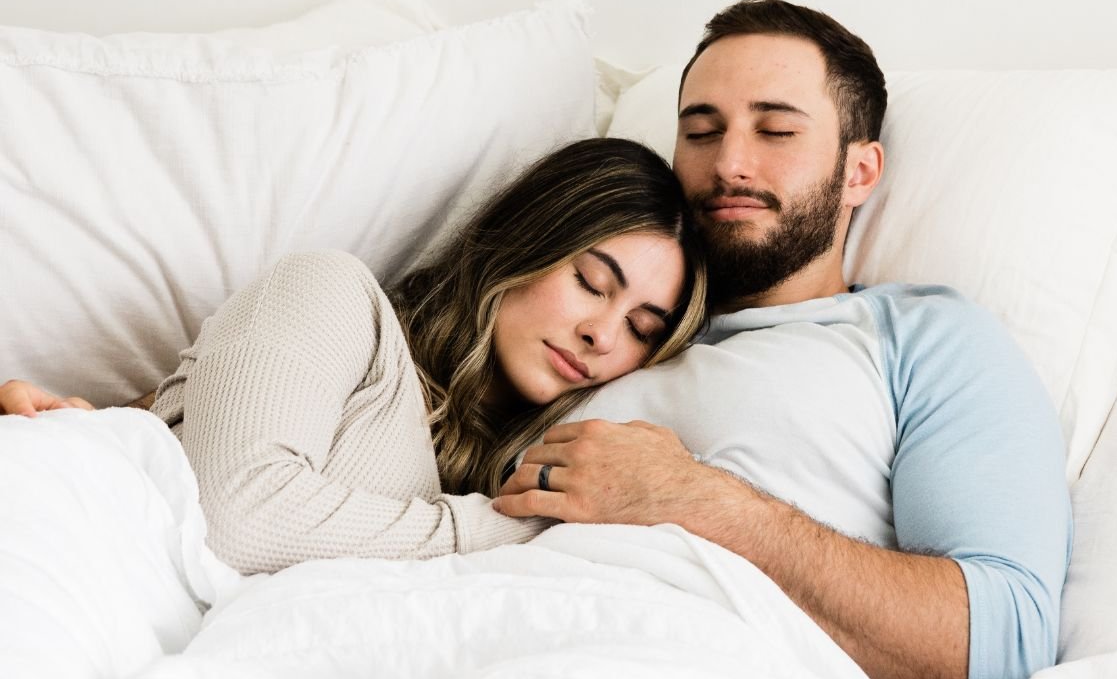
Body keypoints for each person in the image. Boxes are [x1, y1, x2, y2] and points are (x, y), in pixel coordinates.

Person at [495, 0, 1073, 679]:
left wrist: (692, 497)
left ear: (860, 172)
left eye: (775, 130)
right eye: (701, 132)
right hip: (481, 626)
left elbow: (996, 652)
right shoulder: (607, 326)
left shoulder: (926, 338)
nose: (729, 163)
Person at [0, 137, 708, 576]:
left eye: (643, 328)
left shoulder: (493, 480)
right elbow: (238, 519)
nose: (604, 334)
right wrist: (515, 530)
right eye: (591, 282)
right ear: (527, 243)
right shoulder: (335, 297)